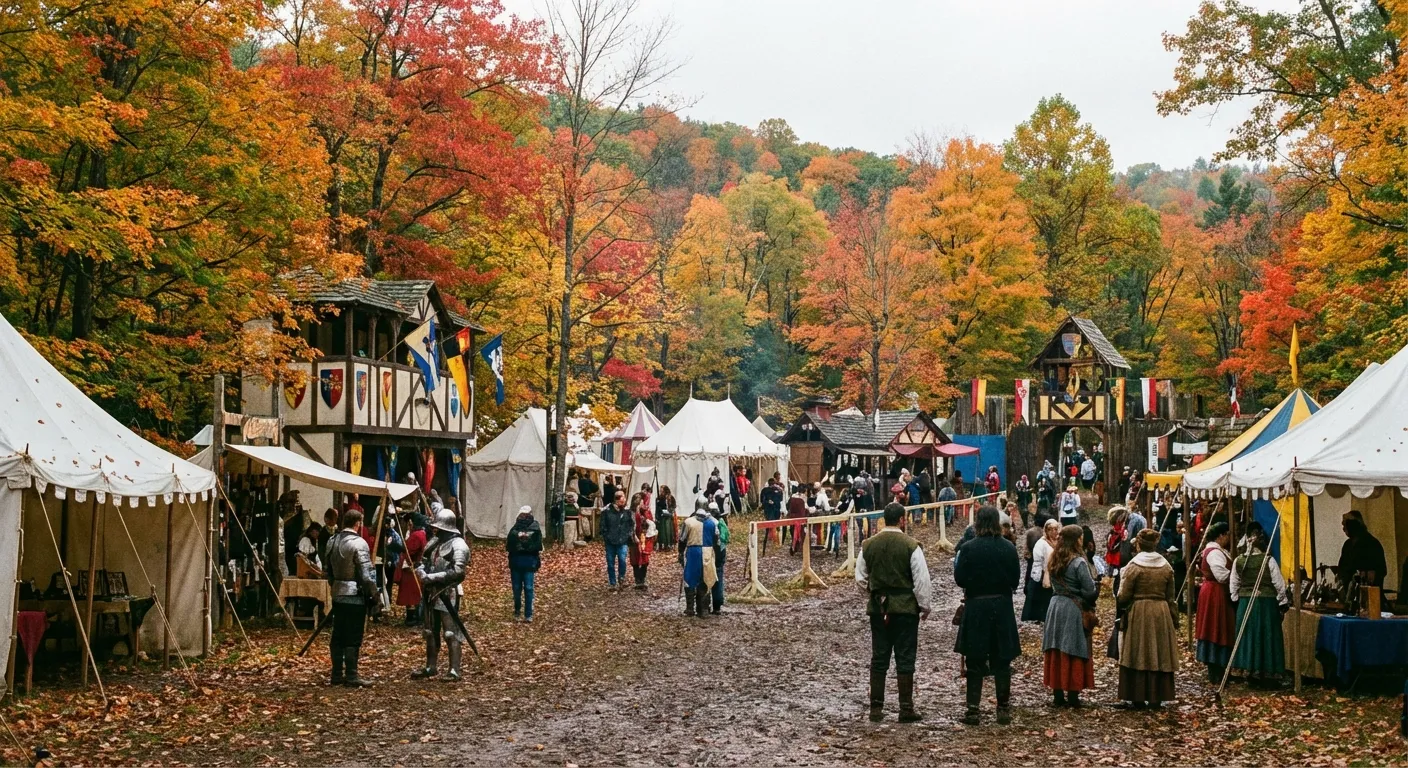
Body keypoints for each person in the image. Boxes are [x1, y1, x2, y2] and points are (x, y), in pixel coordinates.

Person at [856, 502, 932, 723]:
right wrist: (924, 606)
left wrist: (874, 594)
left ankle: (876, 708)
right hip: (906, 610)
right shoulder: (911, 546)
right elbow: (921, 581)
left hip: (878, 610)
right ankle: (906, 708)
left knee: (879, 656)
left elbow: (860, 579)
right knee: (905, 656)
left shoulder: (868, 545)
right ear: (902, 520)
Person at [952, 506, 1021, 726]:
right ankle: (1003, 709)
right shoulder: (1008, 548)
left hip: (976, 607)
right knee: (1002, 660)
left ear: (978, 524)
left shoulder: (968, 548)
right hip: (1001, 606)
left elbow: (960, 579)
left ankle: (973, 710)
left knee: (975, 660)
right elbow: (1015, 580)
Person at [1117, 528, 1179, 709]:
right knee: (1158, 651)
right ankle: (1156, 697)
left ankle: (1137, 696)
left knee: (1138, 651)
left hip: (1140, 611)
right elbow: (1171, 597)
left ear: (1139, 544)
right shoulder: (1166, 566)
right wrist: (1174, 619)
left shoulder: (1134, 566)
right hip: (1161, 612)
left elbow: (1123, 596)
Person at [1042, 525, 1098, 708]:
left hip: (1055, 606)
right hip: (1073, 609)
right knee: (1073, 647)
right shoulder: (1078, 562)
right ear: (1077, 540)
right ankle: (1073, 695)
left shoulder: (1054, 558)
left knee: (1057, 647)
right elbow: (1089, 590)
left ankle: (1058, 694)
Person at [413, 509, 471, 681]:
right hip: (431, 592)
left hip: (448, 591)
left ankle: (454, 670)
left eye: (440, 527)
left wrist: (431, 577)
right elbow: (422, 561)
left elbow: (458, 572)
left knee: (450, 633)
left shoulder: (459, 545)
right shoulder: (434, 543)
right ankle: (431, 666)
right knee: (430, 631)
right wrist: (421, 571)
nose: (436, 530)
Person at [1229, 521, 1288, 688]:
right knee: (1266, 636)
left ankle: (1250, 672)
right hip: (1266, 604)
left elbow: (1233, 585)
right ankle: (1267, 674)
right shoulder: (1268, 560)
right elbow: (1279, 584)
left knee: (1249, 636)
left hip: (1246, 602)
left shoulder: (1238, 561)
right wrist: (1282, 601)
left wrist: (1237, 600)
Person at [325, 507, 379, 687]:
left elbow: (329, 572)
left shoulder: (331, 541)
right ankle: (351, 675)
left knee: (338, 634)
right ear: (358, 523)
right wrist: (375, 595)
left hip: (338, 594)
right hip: (355, 595)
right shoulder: (359, 543)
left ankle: (336, 674)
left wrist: (335, 586)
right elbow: (366, 575)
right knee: (353, 635)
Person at [1195, 522, 1234, 683]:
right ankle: (1215, 669)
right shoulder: (1214, 553)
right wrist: (1236, 576)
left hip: (1214, 592)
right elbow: (1221, 575)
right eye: (1227, 535)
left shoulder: (1216, 551)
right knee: (1216, 627)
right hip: (1215, 593)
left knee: (1221, 627)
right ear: (1221, 536)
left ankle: (1222, 668)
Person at [678, 505, 718, 618]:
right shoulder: (713, 522)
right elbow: (717, 540)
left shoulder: (688, 522)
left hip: (693, 553)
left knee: (690, 579)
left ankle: (691, 608)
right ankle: (703, 609)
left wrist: (680, 553)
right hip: (707, 553)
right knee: (705, 578)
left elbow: (682, 540)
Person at [506, 506, 542, 622]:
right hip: (516, 562)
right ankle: (517, 610)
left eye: (526, 515)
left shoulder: (535, 529)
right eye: (522, 515)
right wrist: (519, 544)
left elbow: (537, 546)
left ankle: (528, 614)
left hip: (529, 563)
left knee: (528, 588)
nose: (524, 517)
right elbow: (509, 546)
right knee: (516, 589)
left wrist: (525, 545)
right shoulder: (514, 530)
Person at [1337, 515, 1388, 594]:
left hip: (1366, 594)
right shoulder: (1347, 545)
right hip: (1348, 593)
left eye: (1346, 525)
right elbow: (1342, 567)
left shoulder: (1372, 543)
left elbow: (1379, 571)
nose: (1343, 529)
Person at [1022, 520, 1060, 623]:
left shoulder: (1058, 541)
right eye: (1050, 529)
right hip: (1044, 573)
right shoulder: (1041, 543)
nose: (1053, 532)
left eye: (1055, 529)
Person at [396, 512, 427, 626]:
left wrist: (400, 548)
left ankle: (412, 619)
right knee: (414, 594)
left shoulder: (416, 536)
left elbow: (409, 550)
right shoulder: (421, 534)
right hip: (415, 565)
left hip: (411, 567)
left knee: (410, 596)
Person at [600, 491, 633, 590]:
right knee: (610, 563)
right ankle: (612, 583)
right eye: (621, 498)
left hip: (622, 540)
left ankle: (621, 578)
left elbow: (631, 524)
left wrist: (627, 535)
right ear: (617, 499)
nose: (623, 501)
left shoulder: (627, 511)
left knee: (622, 560)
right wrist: (606, 536)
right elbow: (602, 525)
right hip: (610, 541)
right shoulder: (607, 511)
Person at [629, 493, 656, 590]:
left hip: (644, 538)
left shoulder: (645, 512)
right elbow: (630, 526)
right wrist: (634, 536)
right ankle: (637, 580)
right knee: (635, 560)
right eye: (641, 502)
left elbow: (650, 523)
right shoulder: (631, 513)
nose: (643, 503)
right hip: (634, 539)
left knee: (645, 559)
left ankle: (642, 579)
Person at [710, 504, 729, 613]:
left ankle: (707, 605)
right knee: (719, 578)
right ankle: (717, 605)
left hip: (711, 552)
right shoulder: (722, 522)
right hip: (720, 552)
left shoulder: (712, 523)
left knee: (707, 578)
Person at [655, 486, 678, 550]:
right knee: (661, 531)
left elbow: (673, 506)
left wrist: (669, 511)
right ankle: (661, 544)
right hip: (661, 516)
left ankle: (668, 544)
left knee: (667, 530)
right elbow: (657, 508)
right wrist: (657, 516)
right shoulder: (658, 498)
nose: (661, 492)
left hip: (668, 517)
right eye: (660, 491)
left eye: (662, 491)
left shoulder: (670, 498)